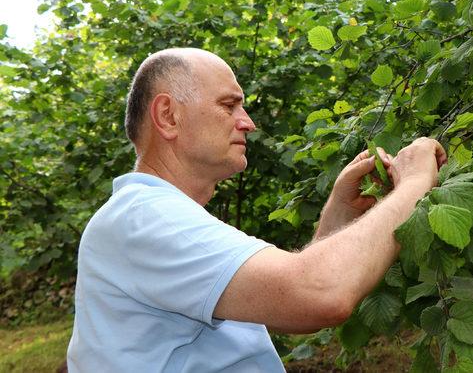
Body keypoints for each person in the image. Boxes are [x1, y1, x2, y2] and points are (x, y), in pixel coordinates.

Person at [66, 48, 446, 372]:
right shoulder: (147, 218)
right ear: (167, 116)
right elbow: (319, 295)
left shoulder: (150, 217)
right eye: (228, 105)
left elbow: (283, 304)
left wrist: (338, 214)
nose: (247, 123)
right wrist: (413, 183)